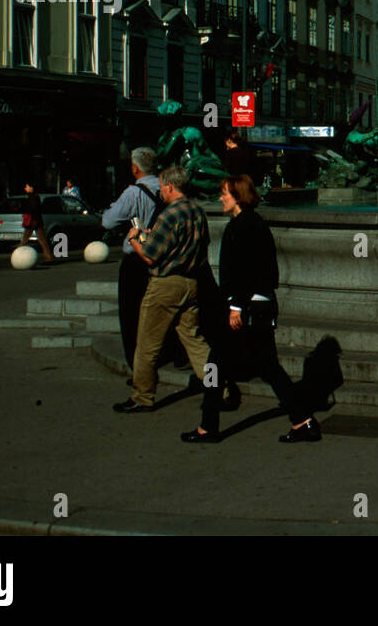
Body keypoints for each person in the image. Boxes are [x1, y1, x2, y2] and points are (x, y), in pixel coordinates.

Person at [183, 174, 318, 444]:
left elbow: (248, 272)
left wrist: (235, 306)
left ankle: (208, 426)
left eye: (224, 193)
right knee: (266, 366)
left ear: (237, 195)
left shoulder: (243, 226)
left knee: (217, 364)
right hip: (257, 307)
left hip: (247, 308)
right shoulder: (252, 223)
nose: (220, 197)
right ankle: (303, 419)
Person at [113, 166, 214, 413]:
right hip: (191, 283)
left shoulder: (169, 214)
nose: (160, 191)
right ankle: (219, 388)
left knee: (146, 345)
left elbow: (150, 257)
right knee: (195, 342)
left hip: (165, 285)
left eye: (161, 186)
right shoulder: (197, 211)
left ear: (169, 186)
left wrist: (135, 238)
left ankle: (142, 397)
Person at [101, 148, 173, 369]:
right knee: (160, 312)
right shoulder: (165, 189)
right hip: (163, 257)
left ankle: (137, 364)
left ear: (135, 168)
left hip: (136, 259)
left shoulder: (133, 192)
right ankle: (166, 353)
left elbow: (108, 221)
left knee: (132, 314)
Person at [18, 181, 56, 263]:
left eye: (26, 186)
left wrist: (25, 209)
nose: (25, 188)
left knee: (24, 240)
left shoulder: (32, 197)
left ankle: (17, 256)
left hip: (32, 221)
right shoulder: (35, 196)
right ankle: (49, 257)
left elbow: (33, 209)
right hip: (37, 221)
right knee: (42, 240)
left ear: (31, 188)